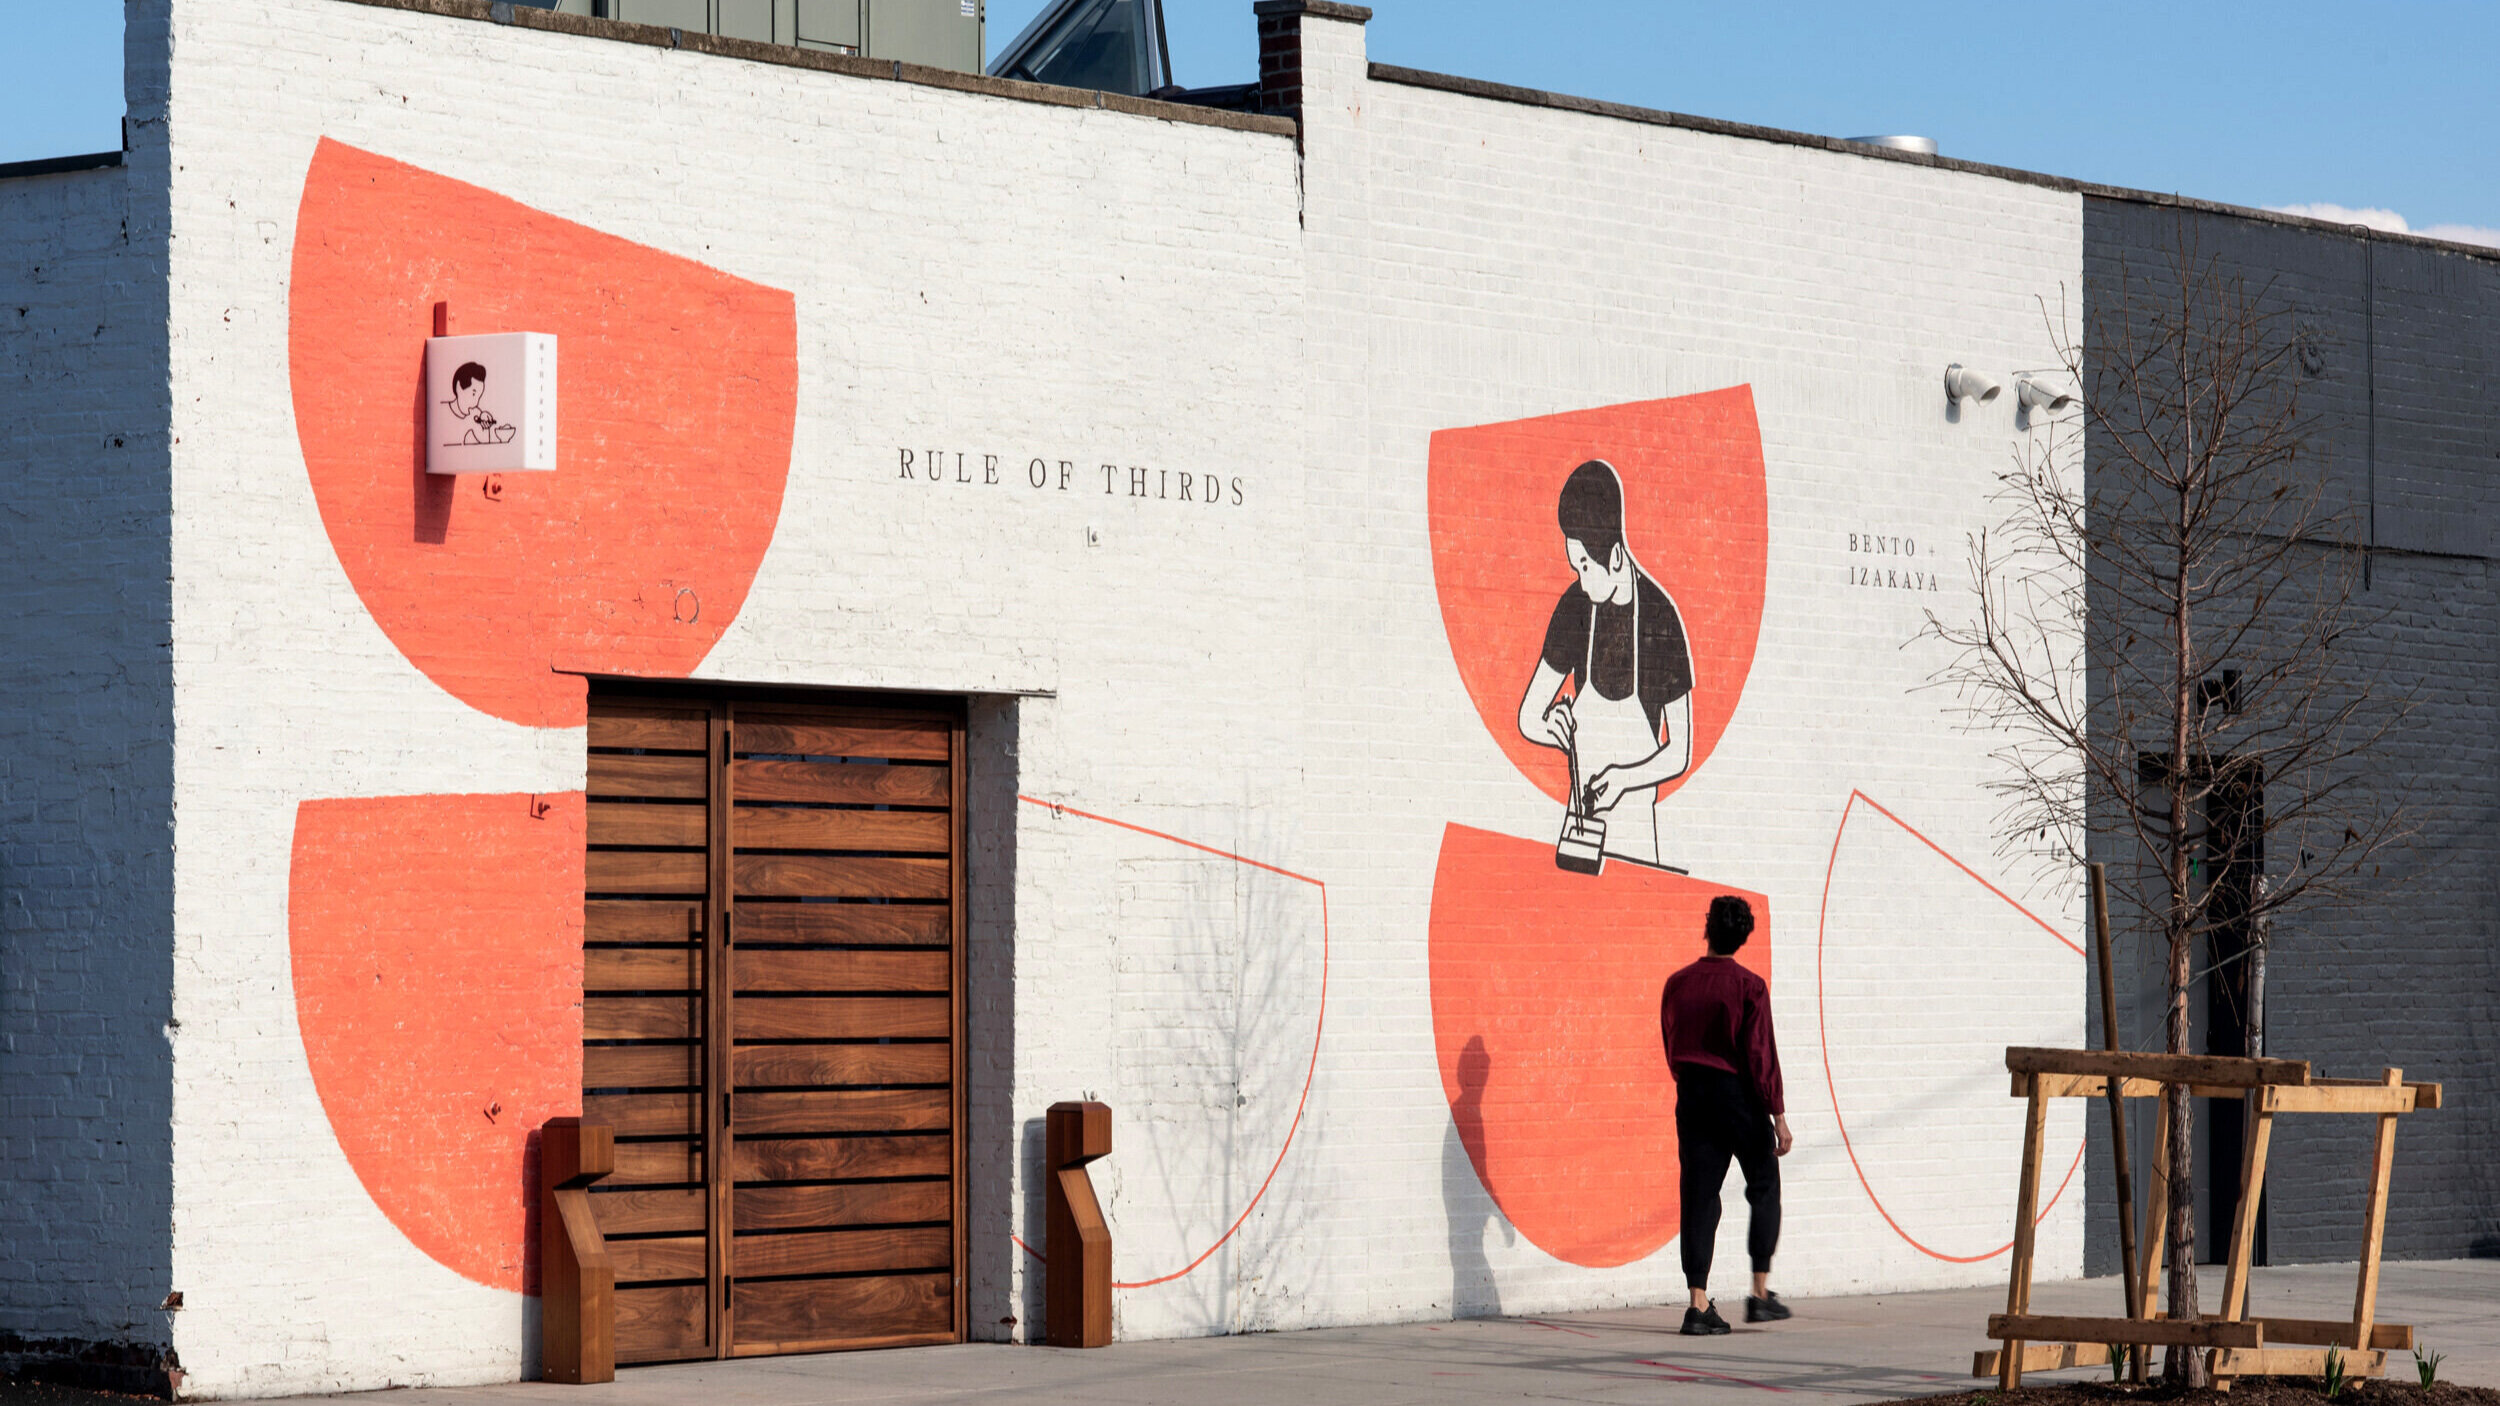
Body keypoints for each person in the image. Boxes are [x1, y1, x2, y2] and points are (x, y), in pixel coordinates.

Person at [1515, 459, 1696, 867]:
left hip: (1634, 831)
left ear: (1615, 556)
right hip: (1580, 827)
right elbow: (1528, 716)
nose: (1579, 579)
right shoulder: (1574, 608)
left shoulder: (1660, 619)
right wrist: (1551, 728)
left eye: (1584, 566)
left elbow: (1680, 752)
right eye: (1574, 566)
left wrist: (1622, 780)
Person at [1660, 895, 1792, 1335]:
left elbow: (1672, 1044)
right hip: (1738, 1095)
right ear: (1742, 937)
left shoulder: (1677, 984)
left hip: (1693, 1095)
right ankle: (1759, 1294)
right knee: (1764, 1184)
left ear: (1708, 928)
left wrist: (1690, 1081)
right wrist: (1777, 1114)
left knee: (1698, 1197)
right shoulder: (1749, 986)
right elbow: (1760, 1056)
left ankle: (1697, 1305)